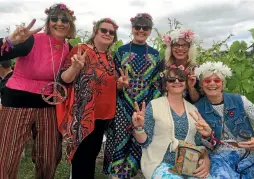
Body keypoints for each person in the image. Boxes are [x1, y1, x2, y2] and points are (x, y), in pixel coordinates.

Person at [0, 3, 76, 179]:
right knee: (8, 156)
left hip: (49, 104)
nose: (59, 23)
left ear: (70, 24)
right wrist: (10, 40)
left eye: (64, 19)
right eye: (54, 19)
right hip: (17, 102)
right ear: (48, 22)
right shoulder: (33, 40)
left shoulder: (70, 49)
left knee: (49, 158)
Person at [57, 18, 124, 179]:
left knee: (92, 156)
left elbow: (107, 85)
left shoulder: (109, 57)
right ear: (95, 31)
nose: (108, 34)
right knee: (81, 159)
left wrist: (119, 85)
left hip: (103, 116)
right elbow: (64, 79)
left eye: (111, 32)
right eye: (104, 30)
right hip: (84, 115)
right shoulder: (81, 50)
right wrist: (75, 67)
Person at [103, 13, 163, 179]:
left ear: (150, 30)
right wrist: (119, 85)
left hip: (144, 107)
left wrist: (151, 104)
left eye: (145, 28)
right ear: (132, 29)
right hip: (122, 104)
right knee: (119, 139)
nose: (141, 30)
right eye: (138, 27)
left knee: (138, 141)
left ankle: (129, 174)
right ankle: (115, 174)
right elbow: (112, 78)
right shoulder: (120, 52)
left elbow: (157, 83)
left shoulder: (156, 54)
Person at [194, 61, 254, 179]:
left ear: (223, 84)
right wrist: (209, 136)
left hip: (246, 155)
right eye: (207, 81)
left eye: (217, 80)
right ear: (202, 85)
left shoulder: (241, 101)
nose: (212, 84)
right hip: (217, 157)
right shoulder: (197, 108)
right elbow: (200, 144)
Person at [132, 67, 212, 179]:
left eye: (181, 79)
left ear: (185, 83)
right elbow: (145, 142)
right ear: (165, 85)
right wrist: (139, 128)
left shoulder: (193, 109)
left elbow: (198, 143)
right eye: (171, 80)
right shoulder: (154, 106)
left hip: (189, 164)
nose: (177, 82)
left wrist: (205, 158)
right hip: (160, 163)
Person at [162, 28, 201, 103]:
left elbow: (197, 100)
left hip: (189, 109)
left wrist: (191, 87)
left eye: (184, 45)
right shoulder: (164, 65)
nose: (180, 48)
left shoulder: (196, 70)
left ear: (190, 48)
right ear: (171, 48)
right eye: (176, 45)